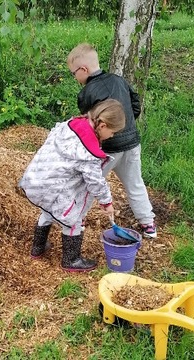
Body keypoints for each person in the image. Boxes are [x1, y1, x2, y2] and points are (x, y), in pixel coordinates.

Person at [19, 99, 126, 272]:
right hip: (56, 188)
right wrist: (106, 202)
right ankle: (71, 259)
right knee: (74, 220)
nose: (112, 136)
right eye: (113, 132)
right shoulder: (88, 152)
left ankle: (37, 248)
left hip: (38, 180)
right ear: (103, 126)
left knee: (47, 211)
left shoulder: (70, 125)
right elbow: (95, 181)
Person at [66, 43, 157, 238]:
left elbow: (90, 125)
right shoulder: (119, 80)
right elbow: (135, 103)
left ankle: (77, 219)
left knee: (90, 184)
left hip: (107, 149)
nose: (75, 78)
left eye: (74, 73)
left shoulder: (86, 93)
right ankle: (148, 223)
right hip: (132, 142)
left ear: (84, 69)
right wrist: (126, 125)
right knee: (135, 183)